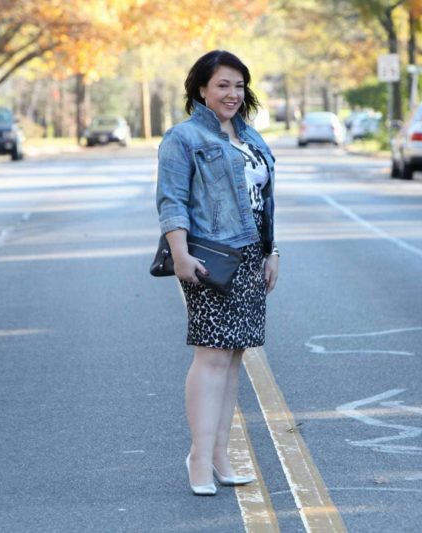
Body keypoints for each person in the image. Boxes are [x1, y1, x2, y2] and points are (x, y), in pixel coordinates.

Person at [155, 50, 279, 496]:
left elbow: (262, 203)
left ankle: (223, 456)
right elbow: (171, 201)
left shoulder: (251, 138)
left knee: (233, 359)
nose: (232, 94)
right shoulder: (182, 138)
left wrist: (272, 250)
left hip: (250, 258)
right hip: (210, 257)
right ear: (202, 89)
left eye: (239, 85)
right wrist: (180, 255)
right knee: (210, 357)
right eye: (223, 85)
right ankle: (199, 458)